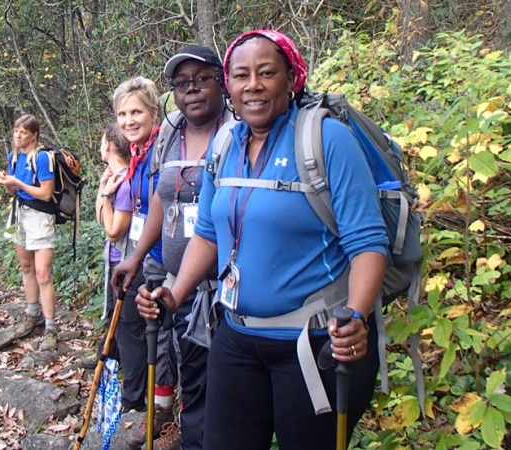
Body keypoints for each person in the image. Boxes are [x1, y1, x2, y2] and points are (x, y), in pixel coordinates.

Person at [136, 30, 388, 450]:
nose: (252, 84)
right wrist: (174, 295)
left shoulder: (327, 140)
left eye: (266, 73)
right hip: (235, 337)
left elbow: (367, 242)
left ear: (291, 79)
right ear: (229, 85)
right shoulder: (225, 144)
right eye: (241, 75)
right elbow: (210, 234)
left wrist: (356, 318)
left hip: (314, 342)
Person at [113, 45, 233, 450]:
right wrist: (136, 255)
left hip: (232, 292)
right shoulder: (170, 133)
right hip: (181, 289)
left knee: (232, 388)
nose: (192, 90)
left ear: (222, 81)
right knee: (194, 381)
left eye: (202, 79)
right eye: (182, 83)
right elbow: (163, 200)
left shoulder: (240, 129)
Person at [109, 76, 176, 446]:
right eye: (122, 113)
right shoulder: (137, 155)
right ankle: (147, 407)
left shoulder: (161, 153)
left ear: (153, 112)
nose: (129, 120)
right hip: (145, 258)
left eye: (136, 111)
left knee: (165, 335)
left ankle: (165, 413)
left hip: (169, 259)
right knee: (145, 334)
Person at [90, 121, 149, 413]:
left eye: (102, 141)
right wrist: (103, 188)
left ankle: (135, 396)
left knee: (130, 330)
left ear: (110, 145)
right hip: (118, 263)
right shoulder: (116, 178)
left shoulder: (125, 183)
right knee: (121, 325)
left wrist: (105, 195)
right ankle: (109, 361)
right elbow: (102, 220)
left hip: (129, 266)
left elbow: (112, 230)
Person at [0, 114, 60, 352]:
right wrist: (7, 183)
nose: (18, 136)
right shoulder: (13, 157)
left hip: (40, 217)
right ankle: (33, 313)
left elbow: (45, 193)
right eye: (16, 131)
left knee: (43, 273)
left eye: (23, 132)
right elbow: (14, 193)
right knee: (26, 267)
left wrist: (18, 184)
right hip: (20, 215)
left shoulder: (42, 158)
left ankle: (51, 326)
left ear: (34, 134)